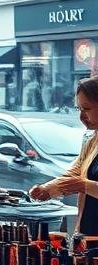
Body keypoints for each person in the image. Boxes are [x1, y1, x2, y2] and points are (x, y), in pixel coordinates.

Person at [29, 77, 98, 234]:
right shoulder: (93, 138)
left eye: (86, 109)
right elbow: (77, 170)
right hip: (89, 233)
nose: (81, 116)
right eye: (78, 109)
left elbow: (80, 181)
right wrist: (47, 189)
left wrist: (85, 186)